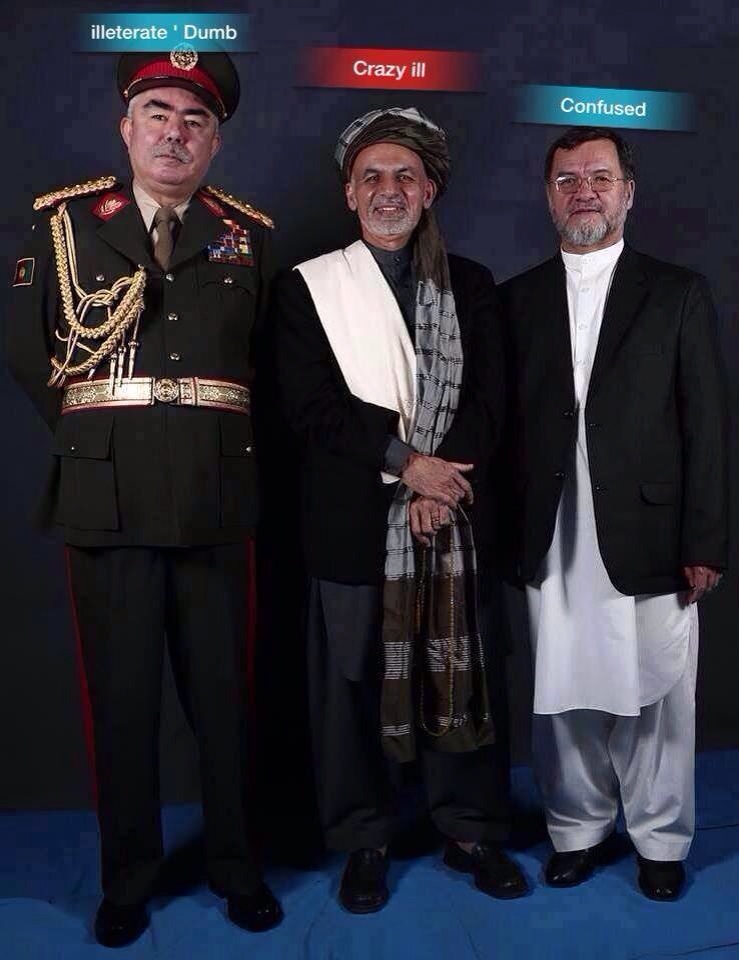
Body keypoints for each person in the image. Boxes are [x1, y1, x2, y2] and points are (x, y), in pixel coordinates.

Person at [8, 49, 282, 946]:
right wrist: (101, 441)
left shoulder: (249, 236)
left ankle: (237, 867)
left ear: (215, 141)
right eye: (158, 114)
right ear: (126, 128)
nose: (175, 132)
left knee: (225, 702)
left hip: (214, 494)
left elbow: (263, 367)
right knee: (121, 703)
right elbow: (29, 351)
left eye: (195, 120)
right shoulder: (62, 224)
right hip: (107, 496)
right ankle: (127, 879)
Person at [272, 106, 526, 913]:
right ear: (349, 193)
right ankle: (365, 837)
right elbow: (311, 406)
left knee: (463, 669)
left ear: (429, 190)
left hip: (455, 515)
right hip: (352, 523)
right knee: (351, 685)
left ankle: (469, 828)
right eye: (372, 176)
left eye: (405, 176)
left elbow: (489, 400)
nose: (389, 190)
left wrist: (436, 485)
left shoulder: (472, 284)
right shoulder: (305, 287)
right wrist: (406, 466)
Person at [500, 126, 729, 900]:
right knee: (560, 695)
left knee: (657, 696)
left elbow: (706, 426)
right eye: (566, 179)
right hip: (550, 530)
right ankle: (576, 829)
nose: (583, 192)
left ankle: (660, 840)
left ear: (627, 192)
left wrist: (704, 540)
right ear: (547, 196)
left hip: (649, 532)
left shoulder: (676, 292)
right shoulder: (514, 300)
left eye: (599, 177)